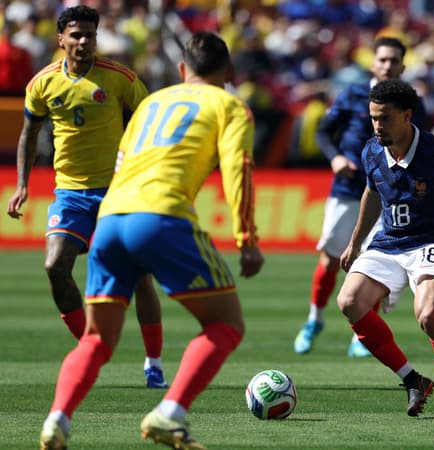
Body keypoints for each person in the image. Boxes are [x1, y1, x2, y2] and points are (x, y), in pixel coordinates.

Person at [38, 31, 264, 450]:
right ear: (229, 72)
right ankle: (169, 414)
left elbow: (122, 161)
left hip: (110, 218)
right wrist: (246, 238)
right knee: (225, 324)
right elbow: (240, 168)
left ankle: (57, 419)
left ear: (182, 69)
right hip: (162, 216)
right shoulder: (230, 106)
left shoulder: (152, 102)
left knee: (97, 339)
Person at [5, 5, 167, 389]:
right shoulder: (42, 83)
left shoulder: (119, 78)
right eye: (76, 35)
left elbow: (151, 119)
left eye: (90, 35)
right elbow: (29, 133)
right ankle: (90, 348)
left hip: (118, 192)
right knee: (54, 266)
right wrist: (22, 183)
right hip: (71, 195)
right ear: (61, 39)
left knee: (139, 275)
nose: (83, 42)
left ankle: (154, 364)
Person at [337, 78, 434, 419]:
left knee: (429, 317)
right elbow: (372, 193)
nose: (377, 125)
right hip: (388, 242)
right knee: (349, 302)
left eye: (385, 118)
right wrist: (355, 243)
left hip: (432, 240)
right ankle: (413, 380)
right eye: (373, 118)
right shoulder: (371, 150)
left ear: (407, 115)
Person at [294, 36, 427, 357]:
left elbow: (419, 144)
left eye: (394, 60)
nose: (387, 65)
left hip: (388, 195)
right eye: (382, 59)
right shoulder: (353, 93)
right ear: (373, 62)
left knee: (374, 263)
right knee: (330, 259)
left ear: (403, 66)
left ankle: (361, 334)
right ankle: (314, 320)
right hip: (348, 188)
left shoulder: (411, 102)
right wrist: (336, 158)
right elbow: (323, 131)